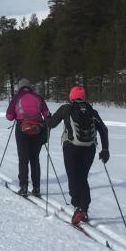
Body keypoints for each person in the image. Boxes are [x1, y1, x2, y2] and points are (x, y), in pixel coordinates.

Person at [45, 86, 110, 224]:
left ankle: (78, 206)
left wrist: (47, 118)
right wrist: (105, 149)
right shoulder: (92, 111)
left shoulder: (65, 109)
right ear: (84, 97)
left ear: (71, 96)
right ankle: (84, 209)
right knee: (82, 178)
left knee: (73, 177)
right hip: (89, 149)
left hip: (71, 147)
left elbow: (51, 124)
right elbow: (104, 130)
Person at [5, 78, 50, 197]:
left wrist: (17, 115)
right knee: (35, 159)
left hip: (22, 129)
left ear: (20, 87)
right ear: (30, 87)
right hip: (37, 130)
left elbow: (9, 116)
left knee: (23, 159)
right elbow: (47, 114)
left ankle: (24, 187)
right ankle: (36, 188)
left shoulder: (16, 97)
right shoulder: (38, 97)